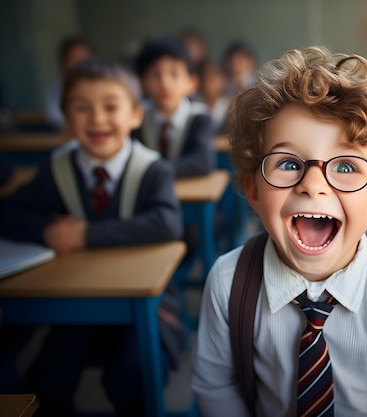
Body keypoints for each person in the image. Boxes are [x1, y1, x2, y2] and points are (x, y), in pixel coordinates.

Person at [191, 46, 367, 417]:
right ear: (253, 190)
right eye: (288, 162)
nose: (313, 185)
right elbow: (214, 383)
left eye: (347, 167)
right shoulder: (227, 281)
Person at [0, 58, 184, 416]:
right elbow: (7, 213)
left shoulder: (153, 169)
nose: (97, 119)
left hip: (148, 306)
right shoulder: (57, 171)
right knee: (47, 379)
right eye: (82, 109)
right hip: (75, 303)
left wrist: (86, 234)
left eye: (110, 107)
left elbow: (167, 223)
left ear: (134, 115)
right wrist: (43, 230)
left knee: (133, 376)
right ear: (67, 120)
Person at [133, 36, 216, 178]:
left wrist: (156, 172)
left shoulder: (199, 117)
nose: (165, 83)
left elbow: (203, 162)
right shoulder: (136, 117)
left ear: (192, 83)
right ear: (141, 83)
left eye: (174, 74)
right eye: (155, 74)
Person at [44, 35, 94, 131]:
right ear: (63, 61)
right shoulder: (56, 89)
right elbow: (54, 117)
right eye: (74, 58)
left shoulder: (103, 87)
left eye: (84, 58)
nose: (80, 63)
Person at [197, 59, 230, 134]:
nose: (210, 82)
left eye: (214, 79)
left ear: (224, 81)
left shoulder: (228, 106)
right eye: (207, 77)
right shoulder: (192, 103)